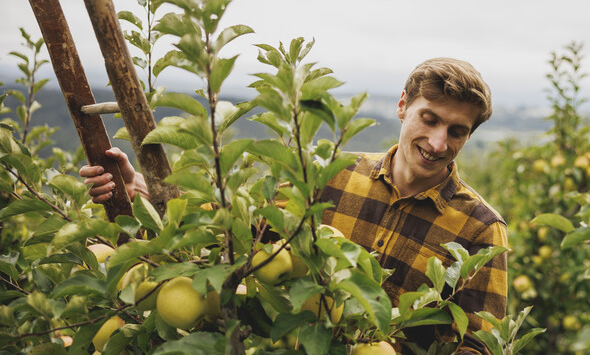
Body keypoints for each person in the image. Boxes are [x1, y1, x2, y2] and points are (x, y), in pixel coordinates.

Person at [80, 57, 507, 354]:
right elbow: (240, 230)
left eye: (456, 131)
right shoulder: (332, 175)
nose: (438, 143)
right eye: (429, 119)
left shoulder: (480, 229)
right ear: (402, 106)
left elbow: (480, 345)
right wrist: (146, 193)